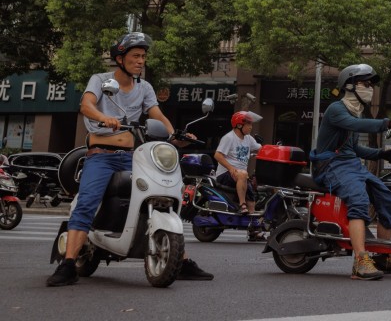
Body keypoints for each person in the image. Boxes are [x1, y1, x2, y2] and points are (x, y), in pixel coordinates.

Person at [47, 32, 213, 287]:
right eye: (135, 56)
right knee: (87, 203)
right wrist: (104, 118)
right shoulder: (101, 81)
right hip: (101, 157)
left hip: (132, 157)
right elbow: (86, 106)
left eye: (143, 56)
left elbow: (156, 113)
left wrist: (174, 134)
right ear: (120, 58)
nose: (140, 61)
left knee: (161, 194)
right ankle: (69, 264)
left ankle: (179, 258)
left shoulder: (144, 87)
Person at [310, 63, 391, 281]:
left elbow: (355, 149)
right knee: (358, 200)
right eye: (365, 84)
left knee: (389, 200)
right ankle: (360, 261)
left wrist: (382, 154)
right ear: (350, 85)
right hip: (332, 166)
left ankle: (382, 256)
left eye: (370, 84)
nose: (369, 88)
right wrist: (389, 123)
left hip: (352, 165)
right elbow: (357, 126)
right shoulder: (337, 110)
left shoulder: (355, 112)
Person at [214, 110, 263, 240]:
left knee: (251, 195)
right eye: (248, 124)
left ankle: (254, 231)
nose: (251, 127)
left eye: (251, 124)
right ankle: (242, 206)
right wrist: (230, 168)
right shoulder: (229, 138)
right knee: (243, 174)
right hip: (225, 174)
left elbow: (259, 148)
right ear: (239, 125)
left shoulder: (248, 138)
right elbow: (217, 155)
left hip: (241, 176)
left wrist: (272, 149)